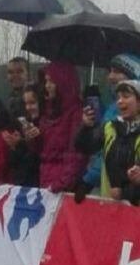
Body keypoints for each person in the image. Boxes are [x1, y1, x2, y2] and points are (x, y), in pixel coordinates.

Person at [76, 53, 140, 196]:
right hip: (109, 196)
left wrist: (89, 179)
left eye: (117, 72)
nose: (110, 76)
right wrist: (87, 125)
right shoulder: (112, 111)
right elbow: (89, 146)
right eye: (110, 71)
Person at [37, 60, 85, 192]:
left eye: (51, 81)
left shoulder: (76, 113)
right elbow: (42, 149)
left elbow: (75, 152)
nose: (47, 86)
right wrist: (32, 138)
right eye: (46, 81)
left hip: (62, 185)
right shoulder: (48, 111)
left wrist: (62, 183)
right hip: (46, 178)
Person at [3, 83, 42, 185]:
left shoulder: (47, 125)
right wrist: (15, 146)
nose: (28, 107)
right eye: (26, 104)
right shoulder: (23, 124)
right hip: (24, 182)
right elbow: (14, 162)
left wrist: (31, 141)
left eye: (32, 103)